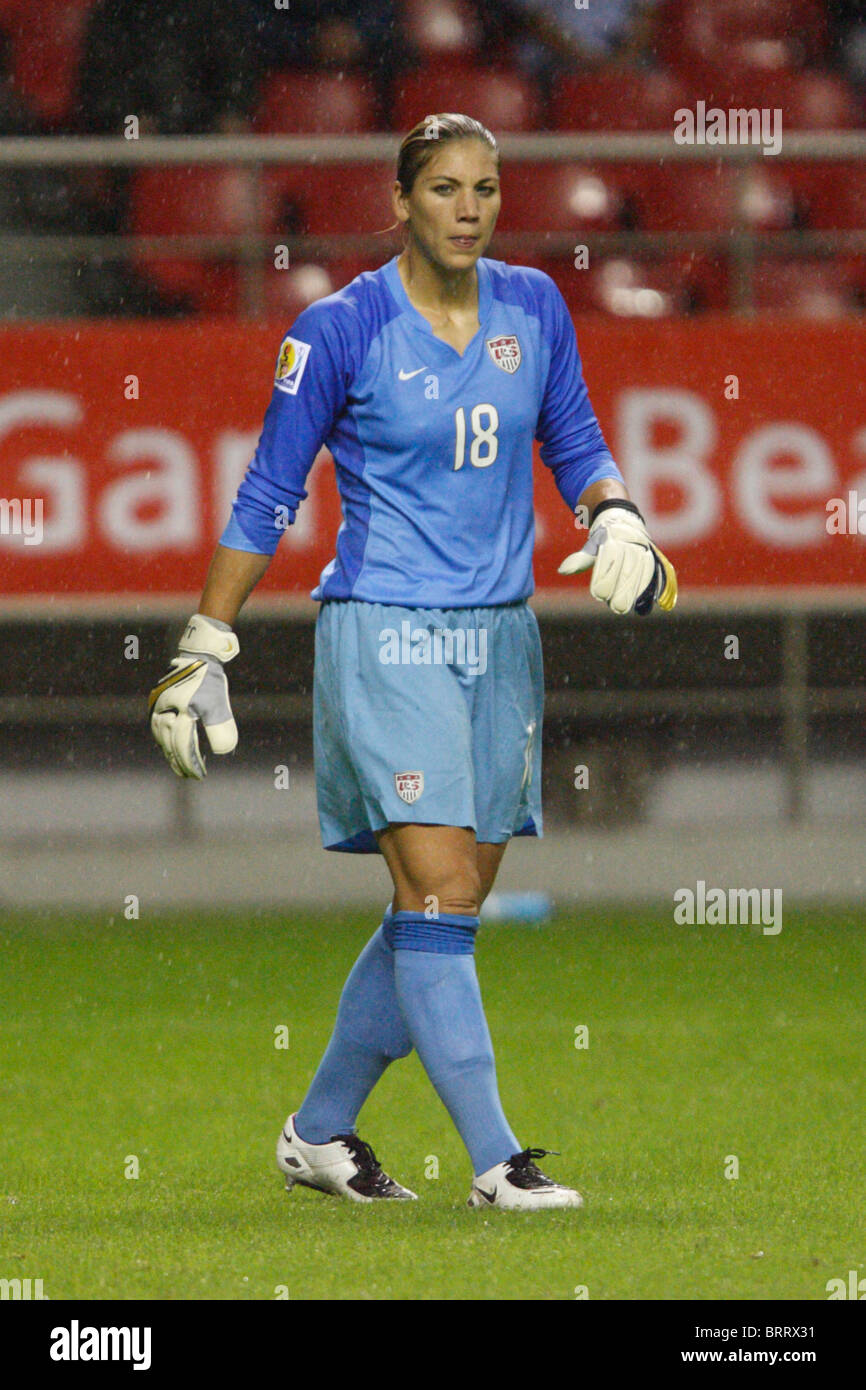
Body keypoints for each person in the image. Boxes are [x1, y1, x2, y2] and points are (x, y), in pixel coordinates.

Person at [148, 113, 677, 1211]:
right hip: (386, 631)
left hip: (501, 636)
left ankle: (320, 1131)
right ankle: (497, 1162)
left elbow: (571, 435)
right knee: (435, 891)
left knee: (442, 910)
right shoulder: (338, 330)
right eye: (443, 188)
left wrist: (615, 512)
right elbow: (268, 490)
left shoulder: (533, 305)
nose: (469, 207)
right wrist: (206, 642)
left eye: (484, 186)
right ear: (400, 201)